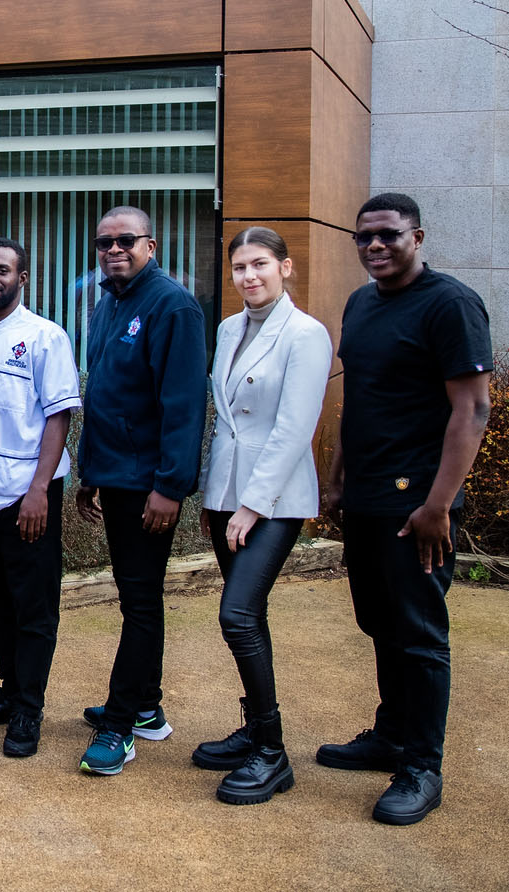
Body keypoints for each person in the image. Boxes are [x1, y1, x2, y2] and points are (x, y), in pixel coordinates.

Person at [321, 192, 491, 826]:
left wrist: (438, 505)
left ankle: (421, 767)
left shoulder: (450, 305)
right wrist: (337, 478)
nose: (375, 247)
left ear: (417, 237)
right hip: (364, 498)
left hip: (417, 505)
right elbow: (359, 400)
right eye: (364, 237)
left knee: (419, 637)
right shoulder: (361, 303)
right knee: (378, 622)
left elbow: (472, 411)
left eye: (388, 235)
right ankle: (391, 734)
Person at [192, 227, 332, 805]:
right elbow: (227, 421)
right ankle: (254, 728)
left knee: (237, 615)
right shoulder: (228, 328)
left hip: (274, 499)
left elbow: (294, 430)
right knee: (251, 617)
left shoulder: (306, 334)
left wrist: (250, 506)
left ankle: (273, 754)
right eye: (239, 268)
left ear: (286, 267)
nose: (249, 276)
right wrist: (215, 499)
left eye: (260, 265)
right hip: (227, 492)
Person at [75, 205, 206, 775]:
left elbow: (183, 404)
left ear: (151, 245)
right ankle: (146, 706)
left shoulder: (172, 305)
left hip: (150, 485)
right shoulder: (109, 304)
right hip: (116, 477)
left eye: (126, 240)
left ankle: (121, 724)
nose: (114, 249)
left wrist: (171, 487)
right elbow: (101, 398)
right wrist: (89, 474)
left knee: (140, 603)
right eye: (104, 242)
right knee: (137, 598)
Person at [0, 237, 81, 758]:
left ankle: (30, 707)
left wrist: (39, 492)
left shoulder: (44, 337)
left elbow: (59, 416)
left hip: (26, 495)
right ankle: (10, 690)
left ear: (22, 278)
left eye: (1, 270)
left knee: (33, 606)